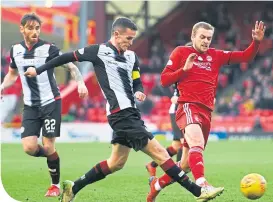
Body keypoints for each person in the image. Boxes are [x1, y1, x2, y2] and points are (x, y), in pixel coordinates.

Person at [24, 17, 223, 202]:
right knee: (161, 154)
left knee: (116, 162)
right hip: (121, 114)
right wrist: (38, 70)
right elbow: (65, 57)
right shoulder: (98, 51)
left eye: (133, 38)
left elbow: (136, 80)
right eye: (128, 38)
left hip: (130, 112)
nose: (130, 42)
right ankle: (199, 191)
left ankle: (73, 187)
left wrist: (139, 92)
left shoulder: (131, 57)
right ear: (116, 34)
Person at [147, 21, 266, 201]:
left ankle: (155, 187)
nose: (205, 41)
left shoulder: (215, 55)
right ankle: (202, 185)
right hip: (187, 106)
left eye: (209, 38)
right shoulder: (181, 52)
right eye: (202, 37)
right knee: (196, 143)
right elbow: (164, 80)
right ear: (193, 36)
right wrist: (184, 69)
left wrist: (256, 42)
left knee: (186, 165)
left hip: (206, 112)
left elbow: (245, 56)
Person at [0, 13, 88, 197]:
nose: (34, 32)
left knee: (48, 146)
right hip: (30, 105)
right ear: (22, 29)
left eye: (37, 28)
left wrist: (80, 82)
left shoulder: (49, 49)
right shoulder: (15, 50)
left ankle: (55, 185)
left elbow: (70, 66)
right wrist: (1, 87)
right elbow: (12, 74)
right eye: (30, 28)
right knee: (29, 148)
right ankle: (53, 156)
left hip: (50, 102)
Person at [145, 83, 183, 177]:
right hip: (178, 110)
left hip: (182, 110)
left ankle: (152, 165)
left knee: (176, 146)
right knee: (184, 143)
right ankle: (180, 173)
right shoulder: (183, 73)